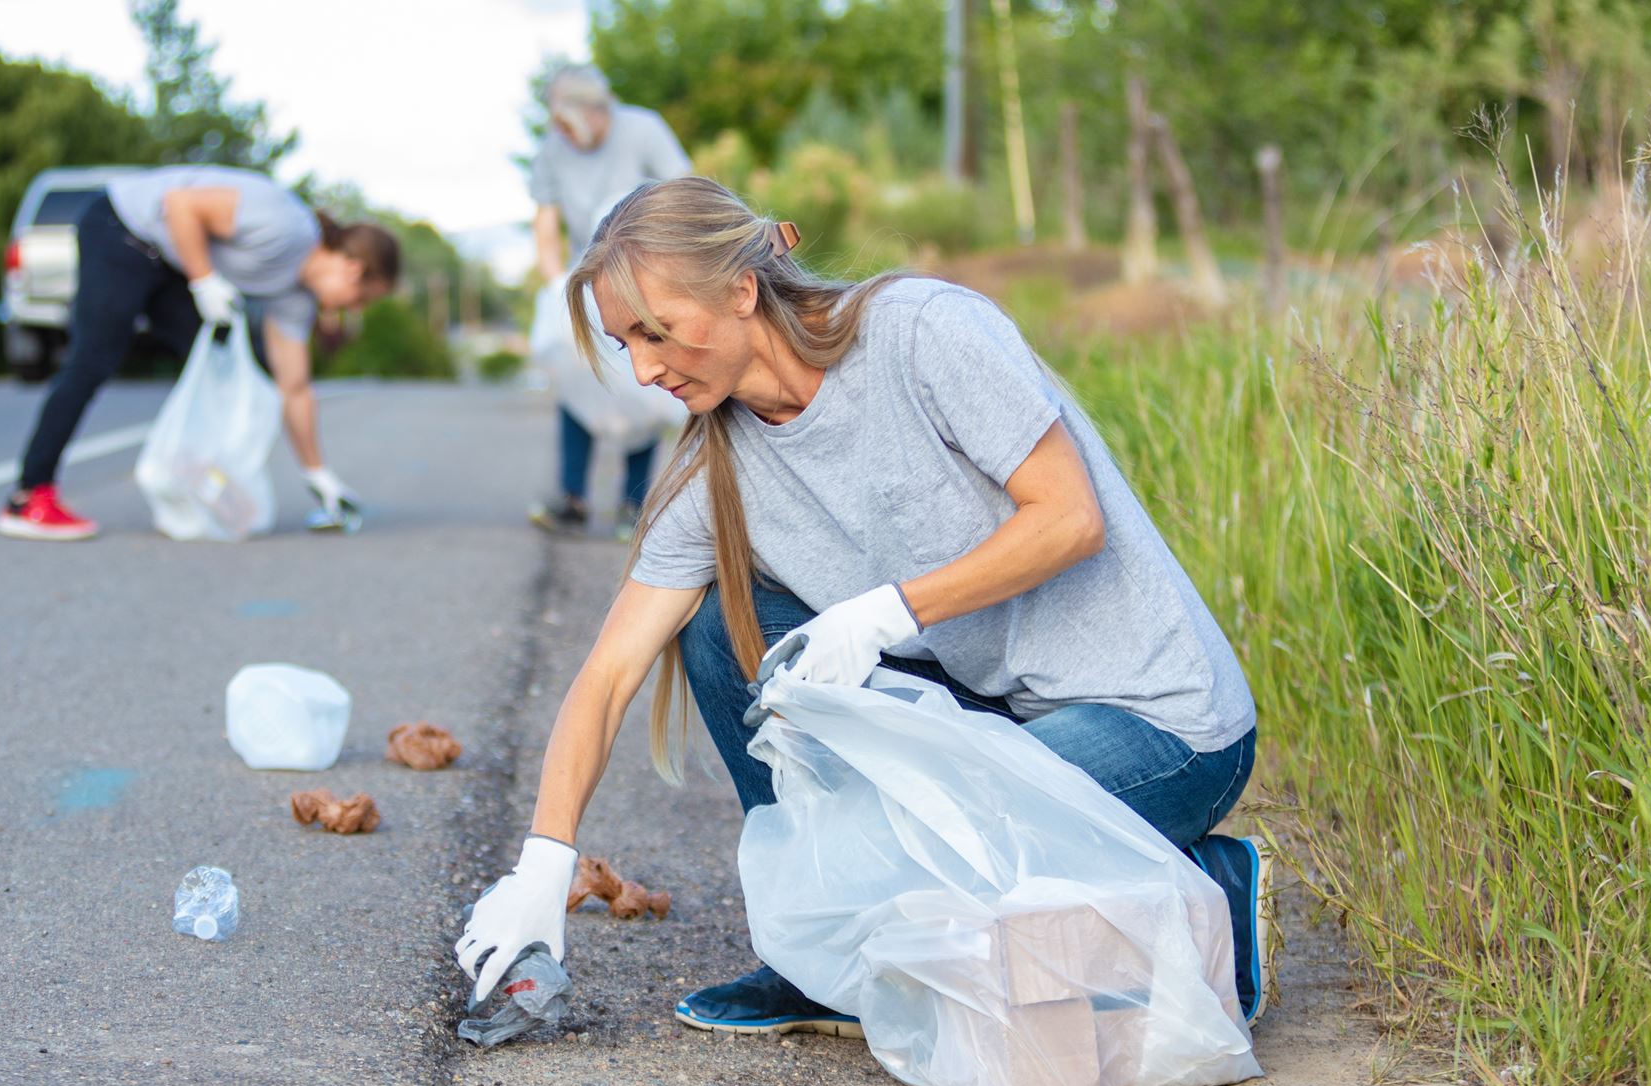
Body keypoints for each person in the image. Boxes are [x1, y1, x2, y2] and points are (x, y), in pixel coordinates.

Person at [452, 177, 1268, 1032]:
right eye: (626, 344)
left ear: (740, 289)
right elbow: (611, 674)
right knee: (715, 624)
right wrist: (542, 868)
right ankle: (810, 958)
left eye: (657, 330)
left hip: (1160, 722)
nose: (646, 367)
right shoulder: (711, 473)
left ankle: (1207, 888)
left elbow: (1069, 518)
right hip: (1000, 715)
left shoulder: (921, 334)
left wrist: (885, 614)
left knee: (921, 875)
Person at [0, 165, 401, 541]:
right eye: (362, 298)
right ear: (352, 269)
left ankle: (194, 488)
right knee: (95, 357)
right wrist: (204, 282)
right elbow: (181, 205)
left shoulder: (294, 298)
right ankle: (29, 497)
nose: (356, 309)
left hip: (167, 261)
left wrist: (318, 475)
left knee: (220, 365)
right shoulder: (287, 226)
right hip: (121, 228)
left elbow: (294, 387)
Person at [527, 65, 692, 540]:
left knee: (644, 387)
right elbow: (545, 223)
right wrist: (553, 282)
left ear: (597, 111)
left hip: (645, 271)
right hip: (587, 276)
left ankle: (633, 505)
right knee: (574, 373)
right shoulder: (551, 152)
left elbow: (682, 193)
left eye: (567, 121)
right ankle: (573, 498)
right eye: (555, 123)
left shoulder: (644, 129)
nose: (561, 132)